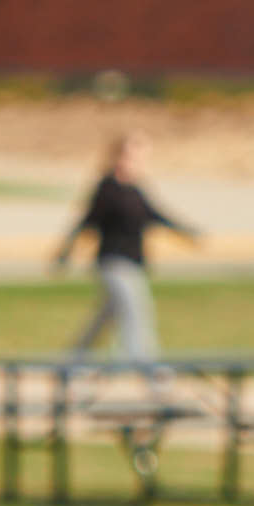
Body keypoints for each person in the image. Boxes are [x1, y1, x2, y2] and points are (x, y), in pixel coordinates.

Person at [53, 131, 201, 362]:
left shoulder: (135, 189)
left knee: (105, 317)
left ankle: (73, 363)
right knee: (136, 313)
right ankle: (149, 369)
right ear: (119, 156)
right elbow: (87, 221)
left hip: (134, 261)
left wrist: (184, 230)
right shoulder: (108, 188)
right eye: (133, 156)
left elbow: (155, 214)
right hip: (113, 261)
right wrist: (66, 251)